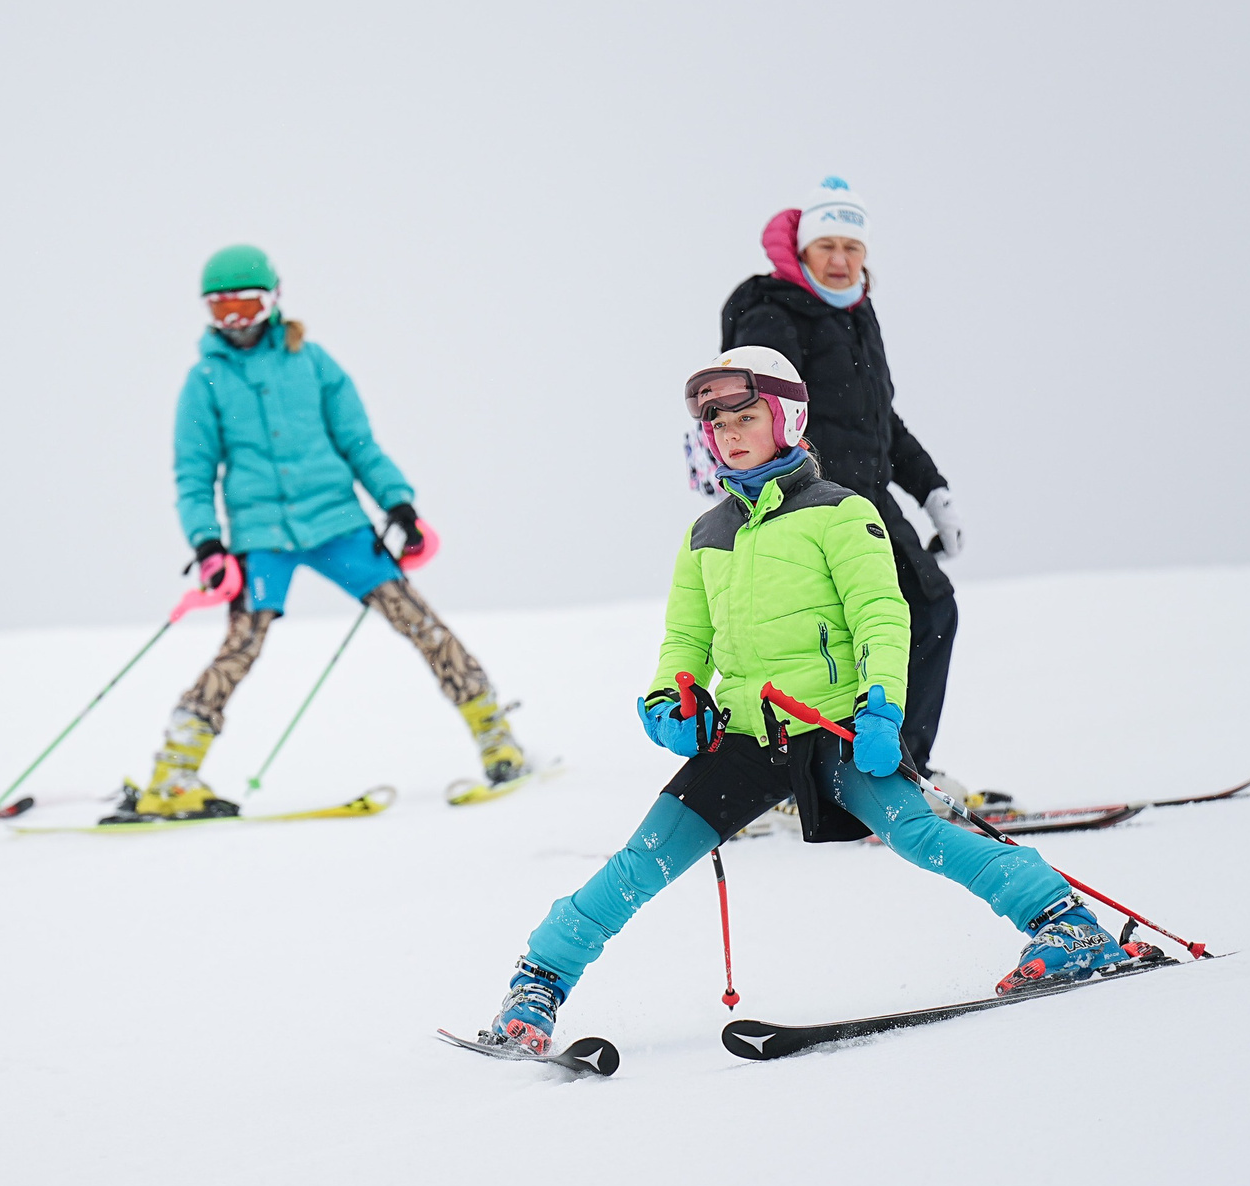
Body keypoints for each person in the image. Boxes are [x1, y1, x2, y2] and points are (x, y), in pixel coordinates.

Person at [480, 348, 1156, 1054]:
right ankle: (538, 982)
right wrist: (665, 702)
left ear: (787, 419)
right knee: (642, 858)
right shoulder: (706, 535)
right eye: (719, 423)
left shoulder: (839, 513)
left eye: (748, 416)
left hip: (832, 726)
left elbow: (881, 618)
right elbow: (686, 640)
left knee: (919, 834)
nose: (732, 433)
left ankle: (1065, 922)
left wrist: (882, 708)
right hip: (742, 737)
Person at [122, 244, 528, 819]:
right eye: (221, 310)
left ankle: (496, 735)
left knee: (420, 623)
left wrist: (398, 504)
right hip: (261, 536)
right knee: (241, 646)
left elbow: (358, 442)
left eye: (245, 304)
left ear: (273, 301)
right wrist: (208, 542)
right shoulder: (205, 380)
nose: (234, 321)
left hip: (337, 523)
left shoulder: (313, 362)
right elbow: (193, 473)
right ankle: (172, 773)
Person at [712, 178, 964, 775]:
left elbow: (881, 420)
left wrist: (933, 492)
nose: (840, 259)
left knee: (929, 612)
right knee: (816, 637)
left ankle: (894, 768)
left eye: (852, 248)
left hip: (868, 496)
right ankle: (789, 778)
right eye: (827, 245)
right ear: (801, 250)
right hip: (805, 498)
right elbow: (755, 412)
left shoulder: (855, 313)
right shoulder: (772, 311)